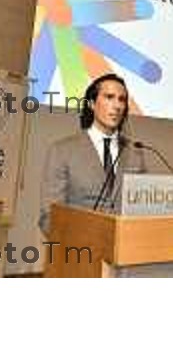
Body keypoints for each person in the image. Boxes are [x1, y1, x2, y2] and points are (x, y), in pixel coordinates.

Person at [39, 73, 145, 234]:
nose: (117, 105)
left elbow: (142, 209)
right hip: (79, 252)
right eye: (109, 97)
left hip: (125, 251)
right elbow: (49, 218)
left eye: (122, 99)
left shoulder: (135, 153)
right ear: (92, 104)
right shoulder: (62, 151)